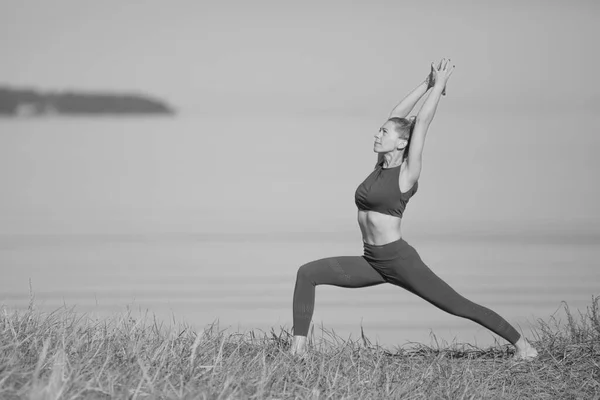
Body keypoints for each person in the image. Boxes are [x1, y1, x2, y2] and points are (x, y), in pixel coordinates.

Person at [290, 59, 538, 360]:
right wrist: (426, 83)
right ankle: (298, 351)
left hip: (400, 261)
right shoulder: (380, 166)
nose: (376, 134)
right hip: (372, 261)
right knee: (307, 274)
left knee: (459, 306)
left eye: (383, 132)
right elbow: (397, 114)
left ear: (402, 142)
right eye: (378, 131)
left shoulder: (407, 173)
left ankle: (524, 347)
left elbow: (421, 122)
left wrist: (440, 86)